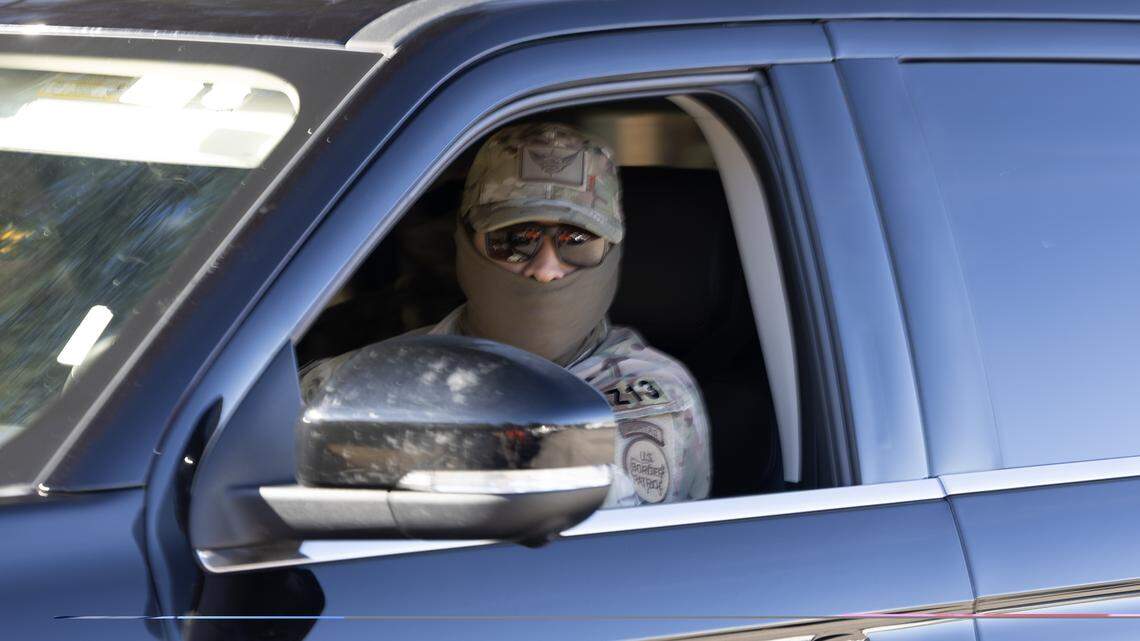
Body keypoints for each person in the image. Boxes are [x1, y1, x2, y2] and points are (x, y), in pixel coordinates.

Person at [304, 123, 711, 507]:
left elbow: (566, 485)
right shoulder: (387, 368)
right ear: (465, 243)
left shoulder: (650, 394)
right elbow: (286, 418)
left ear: (610, 250)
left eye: (576, 241)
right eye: (516, 240)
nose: (547, 269)